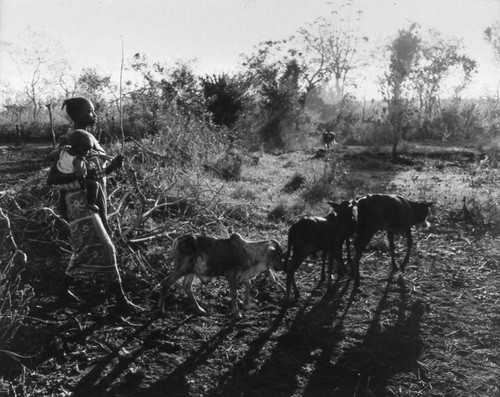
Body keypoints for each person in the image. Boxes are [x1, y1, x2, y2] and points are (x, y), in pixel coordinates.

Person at [47, 97, 141, 314]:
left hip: (94, 201)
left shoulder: (87, 139)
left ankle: (64, 290)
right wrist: (82, 182)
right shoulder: (70, 140)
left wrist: (111, 168)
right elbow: (53, 177)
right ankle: (120, 301)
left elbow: (94, 172)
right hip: (82, 205)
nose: (95, 115)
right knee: (105, 247)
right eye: (91, 111)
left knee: (87, 247)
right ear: (78, 114)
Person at [55, 129, 100, 212]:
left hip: (62, 182)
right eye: (86, 150)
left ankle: (62, 208)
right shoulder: (78, 160)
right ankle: (91, 203)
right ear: (78, 148)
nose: (88, 152)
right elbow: (81, 175)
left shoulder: (65, 151)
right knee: (94, 184)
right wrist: (83, 187)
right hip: (72, 183)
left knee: (62, 194)